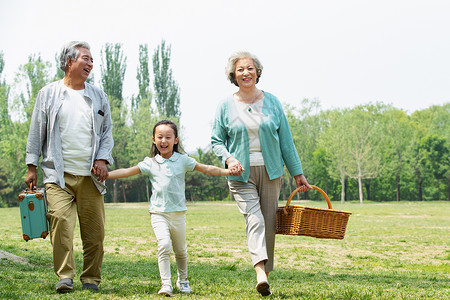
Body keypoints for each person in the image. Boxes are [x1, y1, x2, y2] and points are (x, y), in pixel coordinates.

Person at [211, 51, 312, 296]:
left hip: (271, 171)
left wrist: (297, 173)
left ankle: (265, 273)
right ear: (233, 76)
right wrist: (229, 158)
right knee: (254, 219)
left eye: (250, 68)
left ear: (257, 72)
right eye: (240, 70)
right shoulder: (226, 105)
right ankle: (259, 271)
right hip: (239, 174)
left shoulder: (273, 102)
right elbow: (216, 141)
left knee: (268, 222)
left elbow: (286, 141)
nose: (246, 73)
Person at [107, 120, 243, 297]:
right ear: (154, 140)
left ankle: (183, 281)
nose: (164, 140)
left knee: (180, 250)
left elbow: (208, 169)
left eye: (168, 137)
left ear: (176, 140)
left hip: (178, 213)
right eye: (160, 137)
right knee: (163, 245)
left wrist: (228, 172)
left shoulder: (183, 161)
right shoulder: (150, 163)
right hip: (158, 213)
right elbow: (126, 171)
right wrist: (106, 175)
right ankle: (166, 284)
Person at [25, 41, 114, 293]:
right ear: (69, 62)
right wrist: (31, 167)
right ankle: (65, 276)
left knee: (95, 233)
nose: (90, 63)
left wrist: (102, 159)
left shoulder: (98, 95)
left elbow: (107, 133)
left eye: (92, 60)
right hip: (57, 174)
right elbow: (36, 132)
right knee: (61, 224)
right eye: (85, 58)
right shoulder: (48, 94)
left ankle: (91, 279)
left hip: (91, 176)